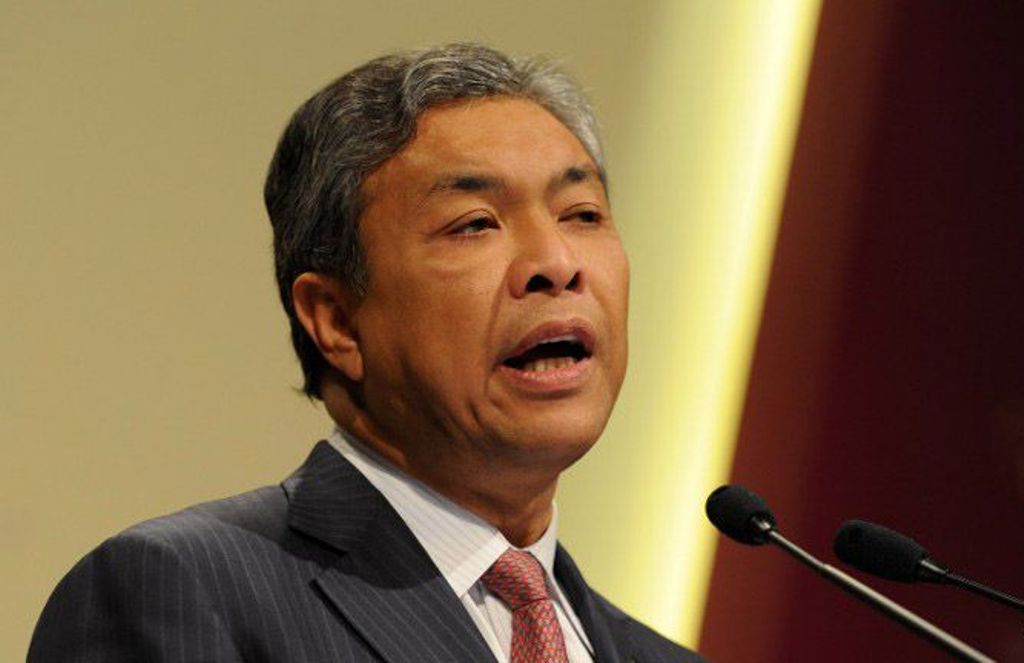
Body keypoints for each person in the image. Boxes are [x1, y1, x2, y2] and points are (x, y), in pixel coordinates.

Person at [29, 43, 704, 662]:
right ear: (337, 320)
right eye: (475, 224)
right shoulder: (180, 592)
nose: (556, 263)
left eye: (582, 214)